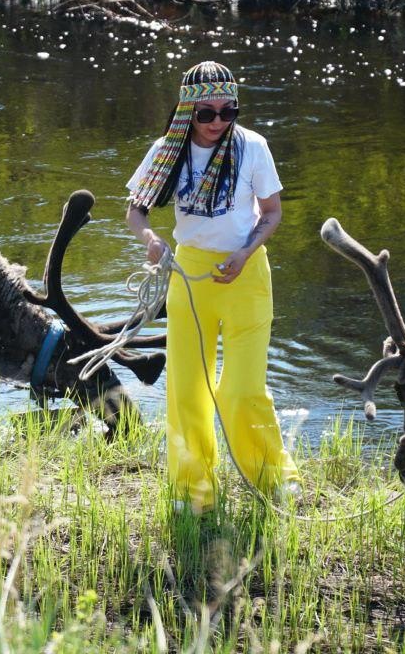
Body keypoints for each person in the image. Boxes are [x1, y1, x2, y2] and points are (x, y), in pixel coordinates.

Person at [125, 60, 299, 514]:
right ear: (187, 111)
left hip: (247, 275)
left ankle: (272, 478)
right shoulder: (167, 150)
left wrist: (244, 253)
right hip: (190, 277)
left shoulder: (253, 148)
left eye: (228, 112)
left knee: (242, 389)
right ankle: (194, 490)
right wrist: (151, 240)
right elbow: (135, 212)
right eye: (206, 113)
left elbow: (273, 211)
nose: (218, 123)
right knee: (188, 388)